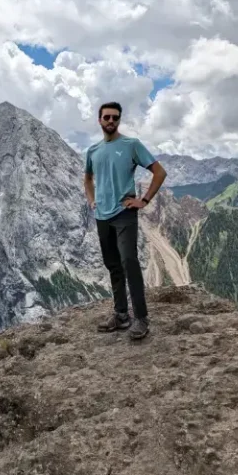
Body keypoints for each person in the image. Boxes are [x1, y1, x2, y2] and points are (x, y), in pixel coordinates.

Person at [83, 102, 166, 340]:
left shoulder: (131, 145)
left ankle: (141, 318)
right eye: (107, 117)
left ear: (119, 121)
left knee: (129, 261)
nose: (111, 121)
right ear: (99, 120)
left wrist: (144, 200)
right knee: (113, 265)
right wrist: (91, 200)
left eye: (115, 118)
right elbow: (87, 179)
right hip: (102, 216)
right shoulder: (93, 150)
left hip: (124, 213)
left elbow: (159, 172)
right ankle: (121, 315)